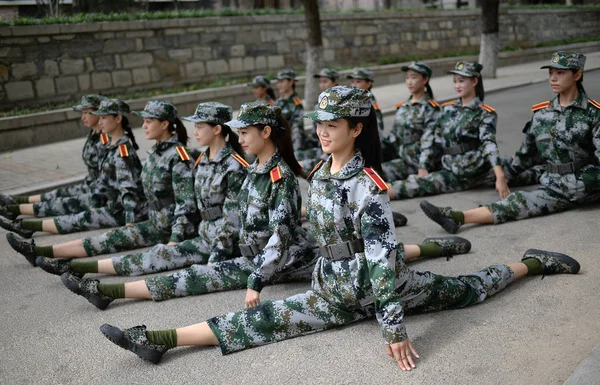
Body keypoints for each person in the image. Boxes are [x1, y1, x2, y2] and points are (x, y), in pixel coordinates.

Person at [97, 87, 580, 370]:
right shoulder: (318, 172)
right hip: (332, 288)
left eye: (333, 124)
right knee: (260, 323)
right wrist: (266, 272)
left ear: (356, 127)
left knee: (468, 290)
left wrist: (393, 329)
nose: (323, 130)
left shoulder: (368, 185)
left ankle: (530, 262)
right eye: (319, 123)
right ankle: (156, 339)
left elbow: (379, 259)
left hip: (380, 288)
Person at [60, 101, 468, 310]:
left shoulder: (279, 176)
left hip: (290, 257)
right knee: (194, 273)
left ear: (264, 132)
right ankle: (105, 288)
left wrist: (256, 278)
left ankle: (437, 246)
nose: (239, 138)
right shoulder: (254, 170)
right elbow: (244, 220)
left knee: (376, 253)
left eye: (244, 132)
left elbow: (282, 233)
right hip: (269, 255)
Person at [37, 102, 248, 278]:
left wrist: (180, 239)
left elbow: (221, 216)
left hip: (206, 237)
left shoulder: (229, 165)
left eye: (200, 126)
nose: (195, 131)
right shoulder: (201, 159)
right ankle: (63, 261)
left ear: (217, 129)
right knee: (134, 249)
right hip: (192, 231)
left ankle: (75, 268)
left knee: (157, 262)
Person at [420, 51, 600, 233]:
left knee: (520, 201)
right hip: (553, 184)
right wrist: (503, 177)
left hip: (586, 185)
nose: (553, 78)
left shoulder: (593, 113)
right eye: (551, 73)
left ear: (577, 75)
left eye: (560, 73)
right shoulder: (542, 114)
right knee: (511, 191)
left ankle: (458, 216)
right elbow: (526, 155)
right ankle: (457, 217)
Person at [7, 100, 197, 268]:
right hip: (155, 220)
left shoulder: (177, 156)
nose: (144, 126)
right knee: (105, 238)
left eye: (149, 122)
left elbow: (185, 203)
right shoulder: (156, 152)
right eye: (144, 121)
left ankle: (58, 258)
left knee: (109, 242)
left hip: (167, 226)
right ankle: (39, 250)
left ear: (164, 124)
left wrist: (175, 239)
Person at [2, 99, 146, 250]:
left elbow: (129, 190)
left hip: (122, 210)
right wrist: (96, 203)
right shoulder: (111, 146)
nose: (100, 121)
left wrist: (130, 223)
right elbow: (104, 182)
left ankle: (24, 227)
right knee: (71, 212)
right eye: (100, 117)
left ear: (118, 119)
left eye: (104, 117)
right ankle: (21, 221)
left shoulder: (122, 151)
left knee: (76, 220)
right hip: (112, 204)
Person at [387, 61, 509, 201]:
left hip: (474, 171)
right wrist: (424, 165)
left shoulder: (484, 113)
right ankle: (375, 193)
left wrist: (499, 177)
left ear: (475, 81)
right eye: (455, 81)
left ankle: (377, 194)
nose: (457, 85)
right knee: (417, 183)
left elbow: (489, 144)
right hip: (450, 169)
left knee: (520, 171)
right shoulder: (447, 110)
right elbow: (434, 140)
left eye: (461, 81)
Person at [0, 95, 109, 219]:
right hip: (92, 184)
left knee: (62, 204)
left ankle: (14, 209)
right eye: (82, 113)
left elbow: (106, 176)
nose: (82, 117)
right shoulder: (94, 133)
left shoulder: (106, 139)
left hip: (102, 193)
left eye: (86, 113)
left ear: (98, 113)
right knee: (59, 193)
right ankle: (16, 200)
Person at [381, 62, 441, 181]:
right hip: (400, 157)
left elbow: (429, 140)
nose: (409, 81)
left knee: (377, 174)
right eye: (407, 77)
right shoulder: (403, 107)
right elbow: (393, 138)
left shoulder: (430, 108)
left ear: (425, 79)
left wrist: (423, 167)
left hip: (415, 162)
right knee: (367, 170)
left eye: (414, 77)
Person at [296, 68, 340, 169]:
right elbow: (315, 137)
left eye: (325, 81)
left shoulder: (340, 106)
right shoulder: (320, 104)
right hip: (321, 150)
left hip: (333, 154)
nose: (322, 85)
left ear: (335, 82)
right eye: (320, 82)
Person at [275, 68, 318, 152]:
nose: (279, 85)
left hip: (290, 140)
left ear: (291, 82)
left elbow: (297, 127)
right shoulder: (277, 102)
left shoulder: (296, 103)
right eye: (278, 82)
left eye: (282, 81)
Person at [347, 67, 384, 136]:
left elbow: (377, 134)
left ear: (368, 84)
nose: (353, 85)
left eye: (358, 82)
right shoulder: (354, 101)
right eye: (352, 81)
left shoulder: (371, 106)